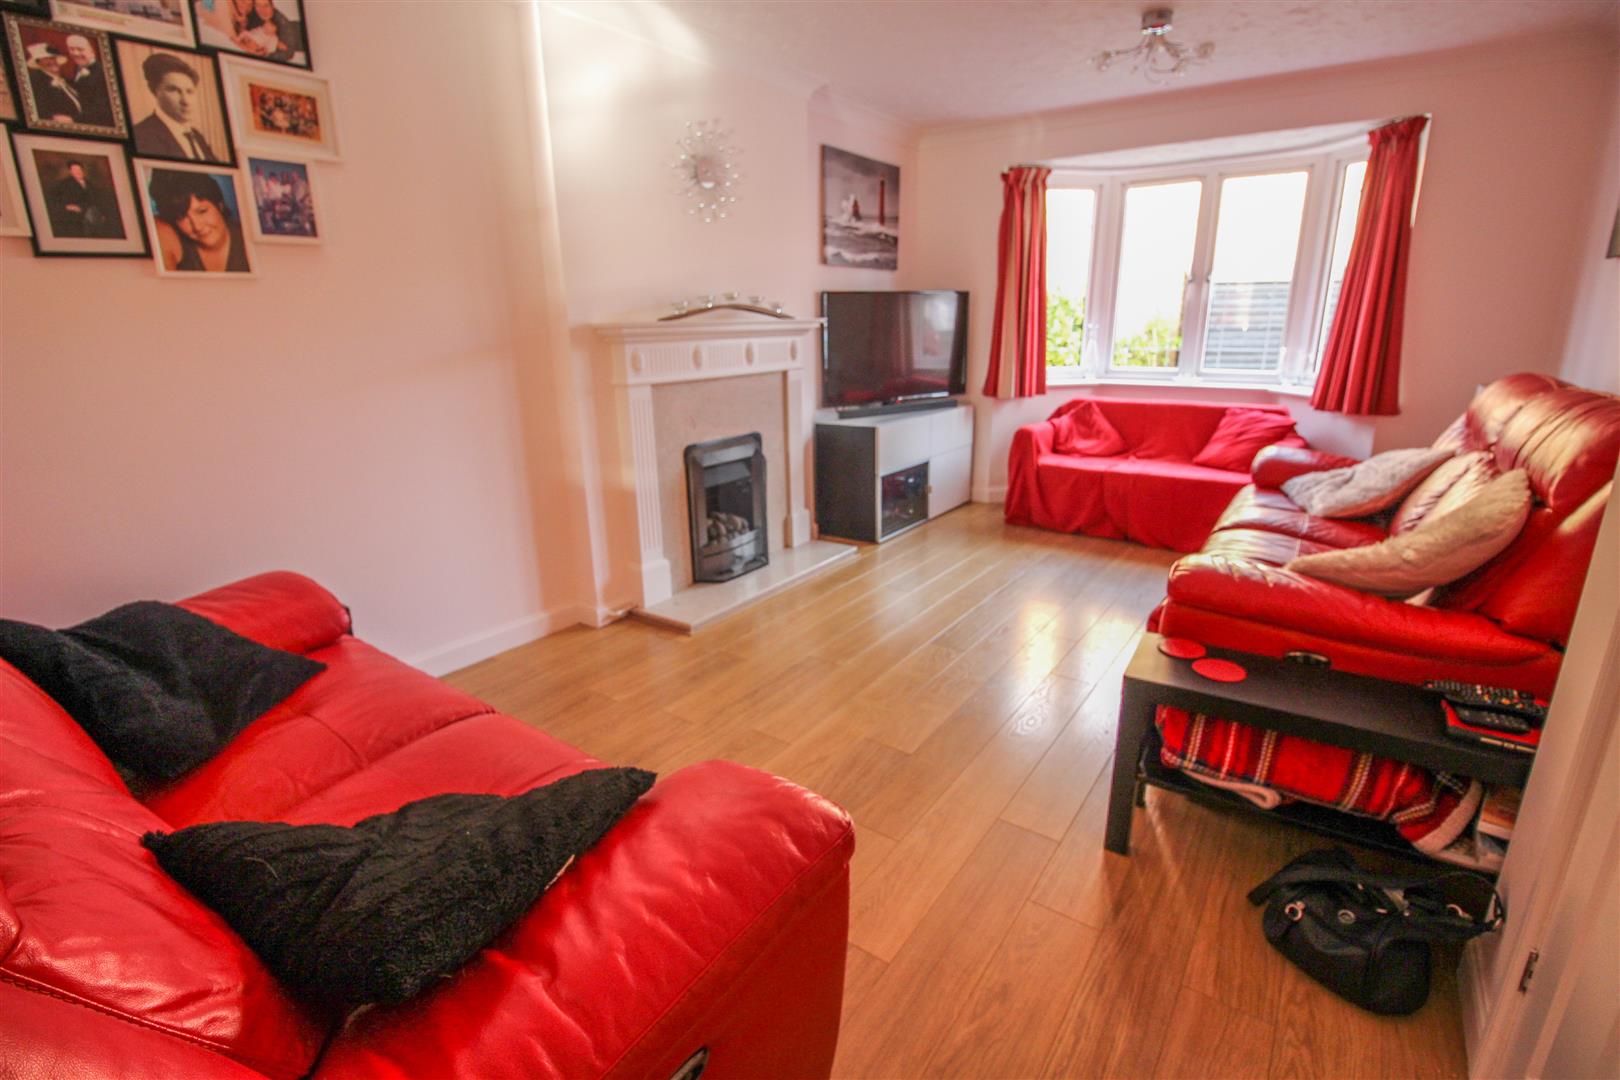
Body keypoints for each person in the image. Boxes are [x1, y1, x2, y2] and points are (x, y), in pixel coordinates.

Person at [148, 168, 248, 272]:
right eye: (182, 217)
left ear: (220, 205)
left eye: (202, 211)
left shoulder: (246, 239)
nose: (197, 226)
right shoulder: (171, 238)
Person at [131, 52, 217, 162]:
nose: (185, 101)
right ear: (154, 91)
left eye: (189, 91)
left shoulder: (197, 136)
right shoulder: (141, 135)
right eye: (174, 90)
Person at [44, 159, 122, 238]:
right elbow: (54, 199)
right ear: (70, 172)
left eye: (79, 169)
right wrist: (66, 207)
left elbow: (97, 200)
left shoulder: (89, 184)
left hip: (92, 213)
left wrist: (101, 213)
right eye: (75, 170)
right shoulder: (64, 184)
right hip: (75, 216)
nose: (78, 172)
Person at [63, 34, 114, 128]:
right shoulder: (78, 68)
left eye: (80, 49)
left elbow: (103, 108)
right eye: (71, 49)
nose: (75, 53)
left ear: (92, 51)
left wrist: (73, 120)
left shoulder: (102, 73)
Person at [24, 42, 81, 124]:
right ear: (38, 63)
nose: (52, 62)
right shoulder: (37, 83)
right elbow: (34, 109)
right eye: (46, 59)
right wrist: (52, 118)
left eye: (53, 58)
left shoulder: (68, 82)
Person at [240, 0, 304, 64]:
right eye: (258, 5)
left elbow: (288, 53)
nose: (262, 10)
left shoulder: (282, 23)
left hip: (301, 36)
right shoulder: (252, 14)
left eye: (266, 5)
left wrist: (264, 54)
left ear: (272, 6)